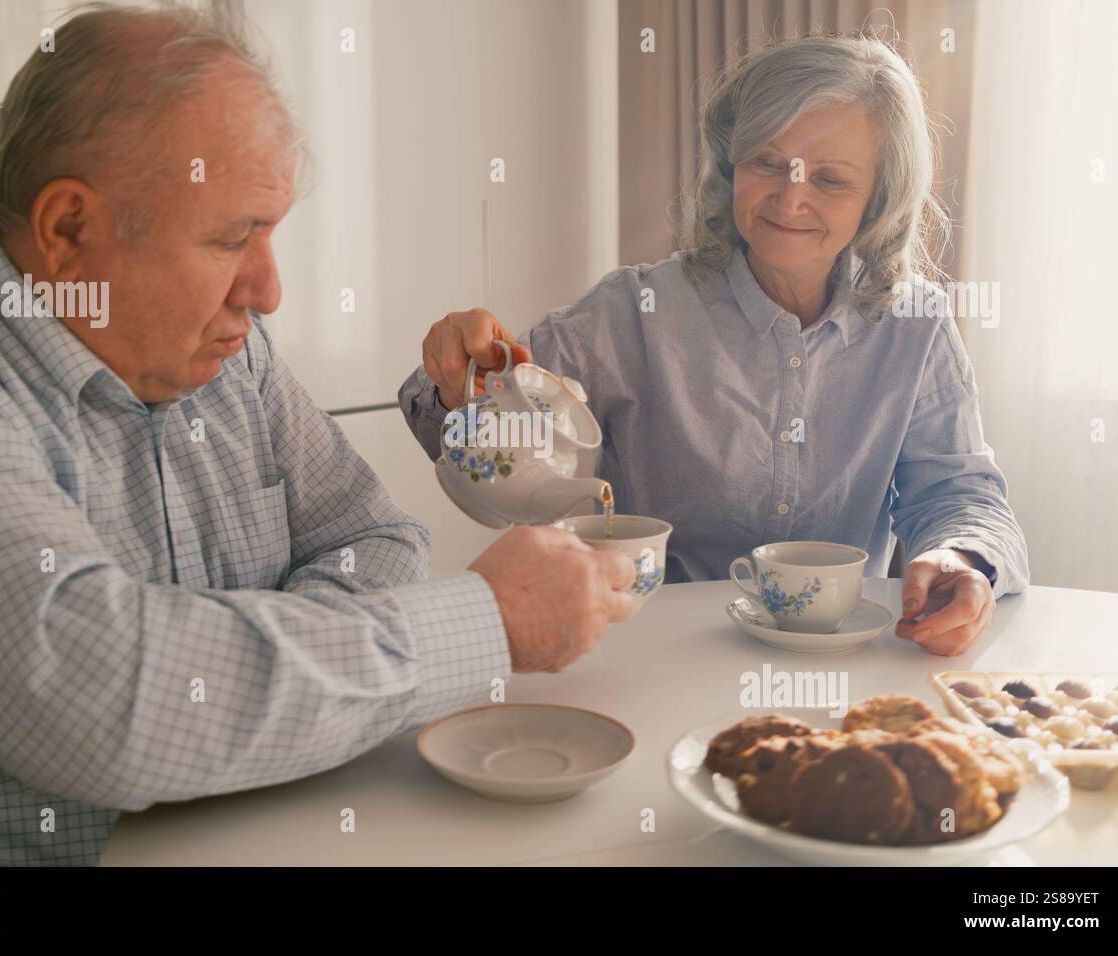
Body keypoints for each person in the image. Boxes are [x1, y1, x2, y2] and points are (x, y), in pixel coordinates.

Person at [0, 3, 633, 865]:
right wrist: (487, 619)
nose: (268, 291)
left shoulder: (228, 350)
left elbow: (374, 534)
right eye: (233, 237)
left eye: (270, 231)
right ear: (69, 231)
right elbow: (109, 704)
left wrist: (234, 681)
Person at [401, 33, 1029, 658]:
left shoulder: (914, 322)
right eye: (766, 162)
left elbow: (958, 491)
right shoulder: (635, 310)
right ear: (730, 167)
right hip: (650, 654)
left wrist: (959, 556)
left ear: (879, 201)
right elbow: (455, 427)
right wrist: (464, 377)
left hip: (839, 660)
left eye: (831, 180)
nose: (790, 198)